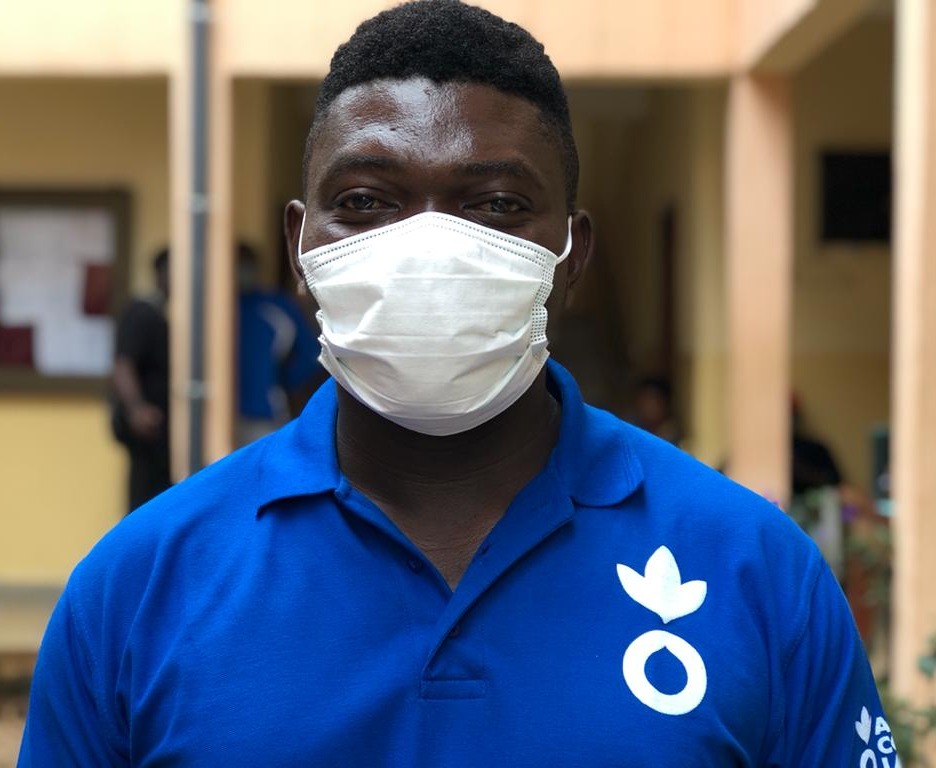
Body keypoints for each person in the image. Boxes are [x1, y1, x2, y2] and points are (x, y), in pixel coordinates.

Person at [21, 2, 897, 765]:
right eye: (366, 200)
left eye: (495, 205)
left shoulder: (753, 569)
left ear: (570, 255)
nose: (428, 248)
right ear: (301, 247)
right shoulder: (139, 588)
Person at [236, 242, 326, 446]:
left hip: (264, 411)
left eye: (245, 264)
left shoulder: (275, 307)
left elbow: (309, 356)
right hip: (213, 413)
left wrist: (284, 384)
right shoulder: (211, 307)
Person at [109, 247, 171, 513]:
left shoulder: (174, 315)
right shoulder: (142, 313)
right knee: (145, 505)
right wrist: (136, 409)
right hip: (148, 429)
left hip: (167, 432)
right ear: (160, 274)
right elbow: (123, 364)